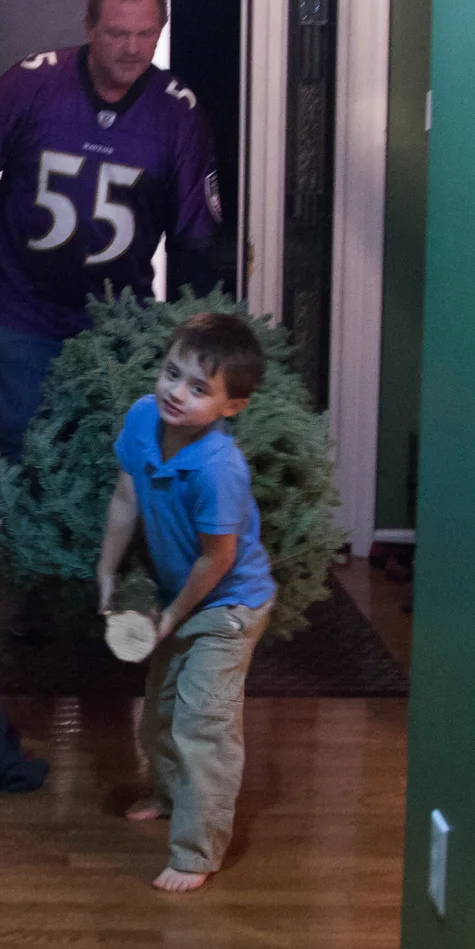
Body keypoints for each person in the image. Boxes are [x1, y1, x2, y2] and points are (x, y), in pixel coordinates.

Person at [0, 0, 223, 460]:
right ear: (88, 28)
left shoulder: (178, 113)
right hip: (25, 312)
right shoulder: (30, 83)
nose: (132, 48)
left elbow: (196, 239)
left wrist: (193, 336)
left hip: (122, 320)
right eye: (117, 33)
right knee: (24, 449)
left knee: (113, 459)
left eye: (146, 33)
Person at [95, 312, 275, 893]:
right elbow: (126, 496)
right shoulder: (143, 419)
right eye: (172, 373)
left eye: (199, 388)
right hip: (183, 598)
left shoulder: (220, 469)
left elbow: (216, 559)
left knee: (204, 724)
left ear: (232, 406)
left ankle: (197, 853)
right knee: (161, 716)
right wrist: (106, 568)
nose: (177, 392)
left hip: (228, 608)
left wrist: (172, 618)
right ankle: (173, 798)